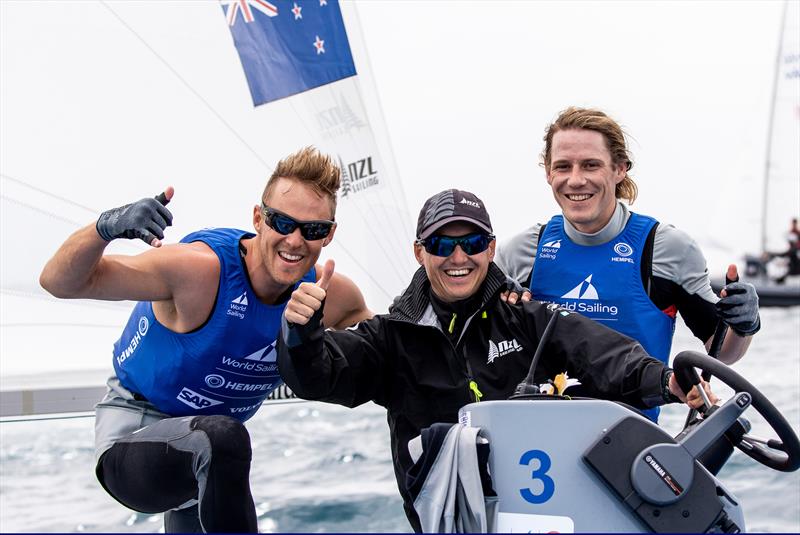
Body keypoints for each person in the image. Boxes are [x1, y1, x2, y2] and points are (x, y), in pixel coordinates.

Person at [276, 188, 713, 532]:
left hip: (540, 516)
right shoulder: (391, 336)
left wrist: (667, 381)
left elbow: (600, 354)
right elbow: (321, 376)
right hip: (445, 520)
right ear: (419, 252)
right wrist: (302, 332)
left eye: (472, 242)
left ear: (491, 247)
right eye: (442, 244)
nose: (458, 257)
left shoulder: (526, 316)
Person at [39, 147, 371, 533]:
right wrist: (106, 227)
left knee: (217, 444)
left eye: (312, 230)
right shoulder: (197, 271)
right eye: (282, 222)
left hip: (207, 467)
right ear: (258, 218)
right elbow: (59, 282)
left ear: (328, 235)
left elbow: (388, 349)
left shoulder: (331, 296)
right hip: (133, 442)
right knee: (222, 439)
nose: (294, 241)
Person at [495, 107, 760, 420]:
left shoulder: (665, 248)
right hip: (539, 437)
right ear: (548, 173)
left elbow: (724, 353)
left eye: (591, 165)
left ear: (619, 169)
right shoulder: (522, 252)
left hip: (630, 443)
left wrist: (743, 324)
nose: (576, 180)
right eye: (563, 167)